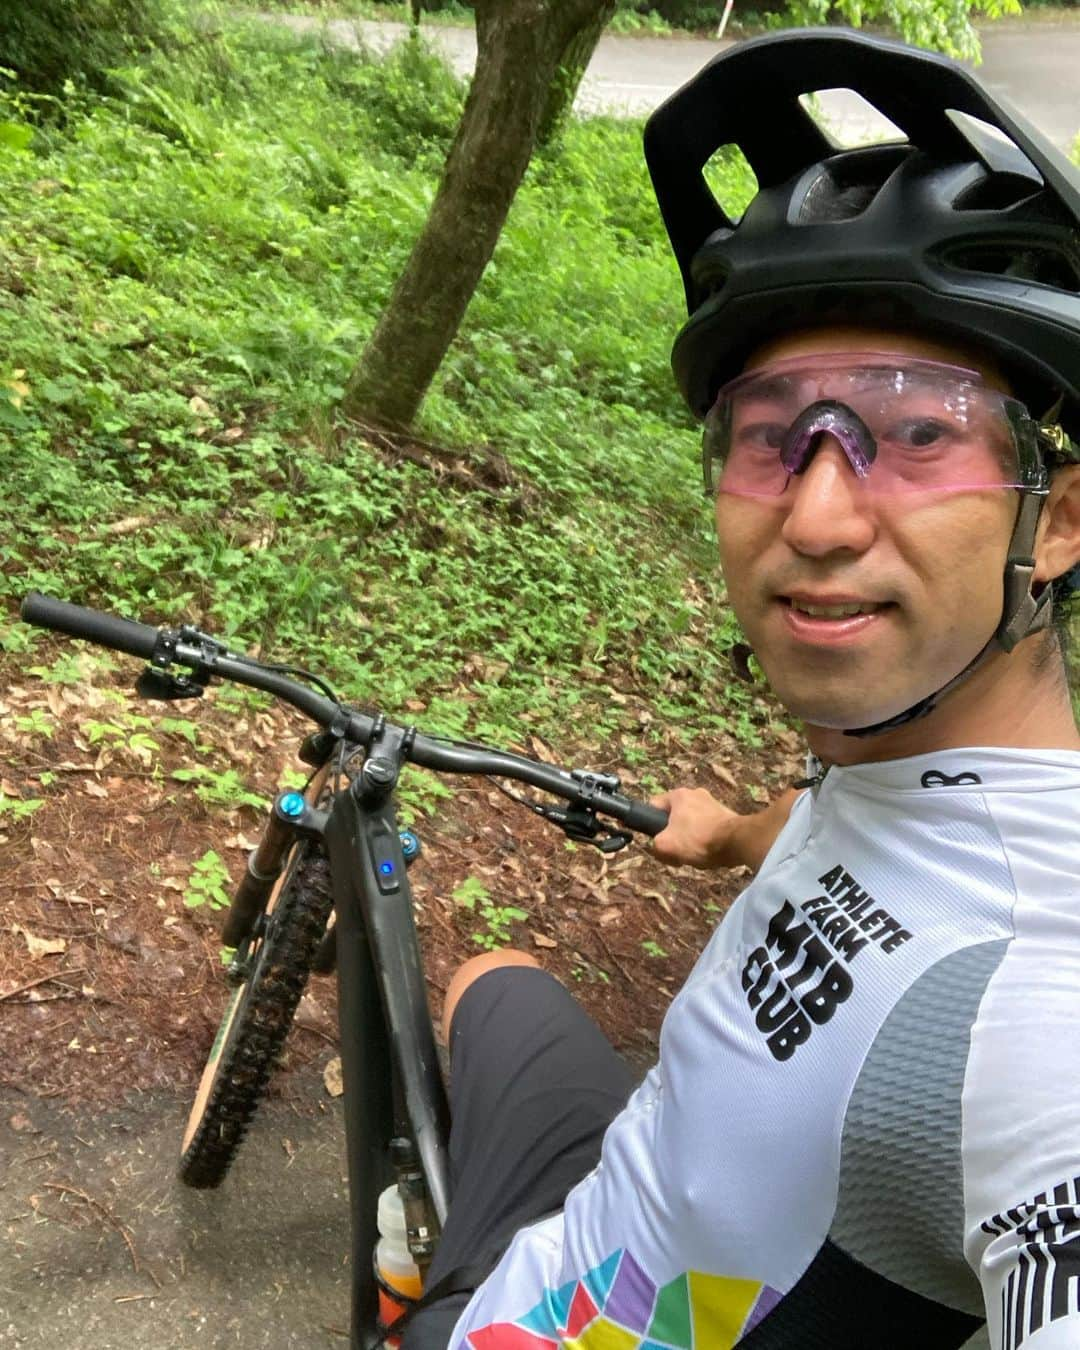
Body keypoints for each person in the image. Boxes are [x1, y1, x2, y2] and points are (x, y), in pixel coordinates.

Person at [401, 28, 1080, 1350]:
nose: (819, 515)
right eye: (774, 434)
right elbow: (872, 830)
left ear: (1055, 523)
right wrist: (736, 833)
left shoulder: (1041, 1013)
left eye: (918, 428)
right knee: (489, 970)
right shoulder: (909, 759)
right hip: (591, 1228)